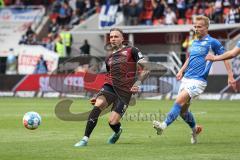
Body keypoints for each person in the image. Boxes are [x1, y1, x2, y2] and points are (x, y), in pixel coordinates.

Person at [152, 15, 236, 144]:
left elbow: (225, 57)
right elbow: (190, 58)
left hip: (199, 81)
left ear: (206, 27)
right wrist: (181, 70)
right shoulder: (195, 41)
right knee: (183, 111)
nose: (196, 29)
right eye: (195, 26)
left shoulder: (213, 42)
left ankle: (163, 125)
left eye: (199, 27)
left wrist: (230, 76)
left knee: (179, 101)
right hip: (187, 78)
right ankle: (195, 129)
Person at [74, 28, 149, 147]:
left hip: (125, 91)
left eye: (116, 36)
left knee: (112, 122)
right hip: (110, 87)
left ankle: (118, 131)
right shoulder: (109, 58)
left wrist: (137, 83)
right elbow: (109, 76)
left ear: (122, 39)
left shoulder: (132, 50)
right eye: (111, 37)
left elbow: (147, 68)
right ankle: (85, 139)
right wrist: (99, 95)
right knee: (97, 106)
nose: (113, 39)